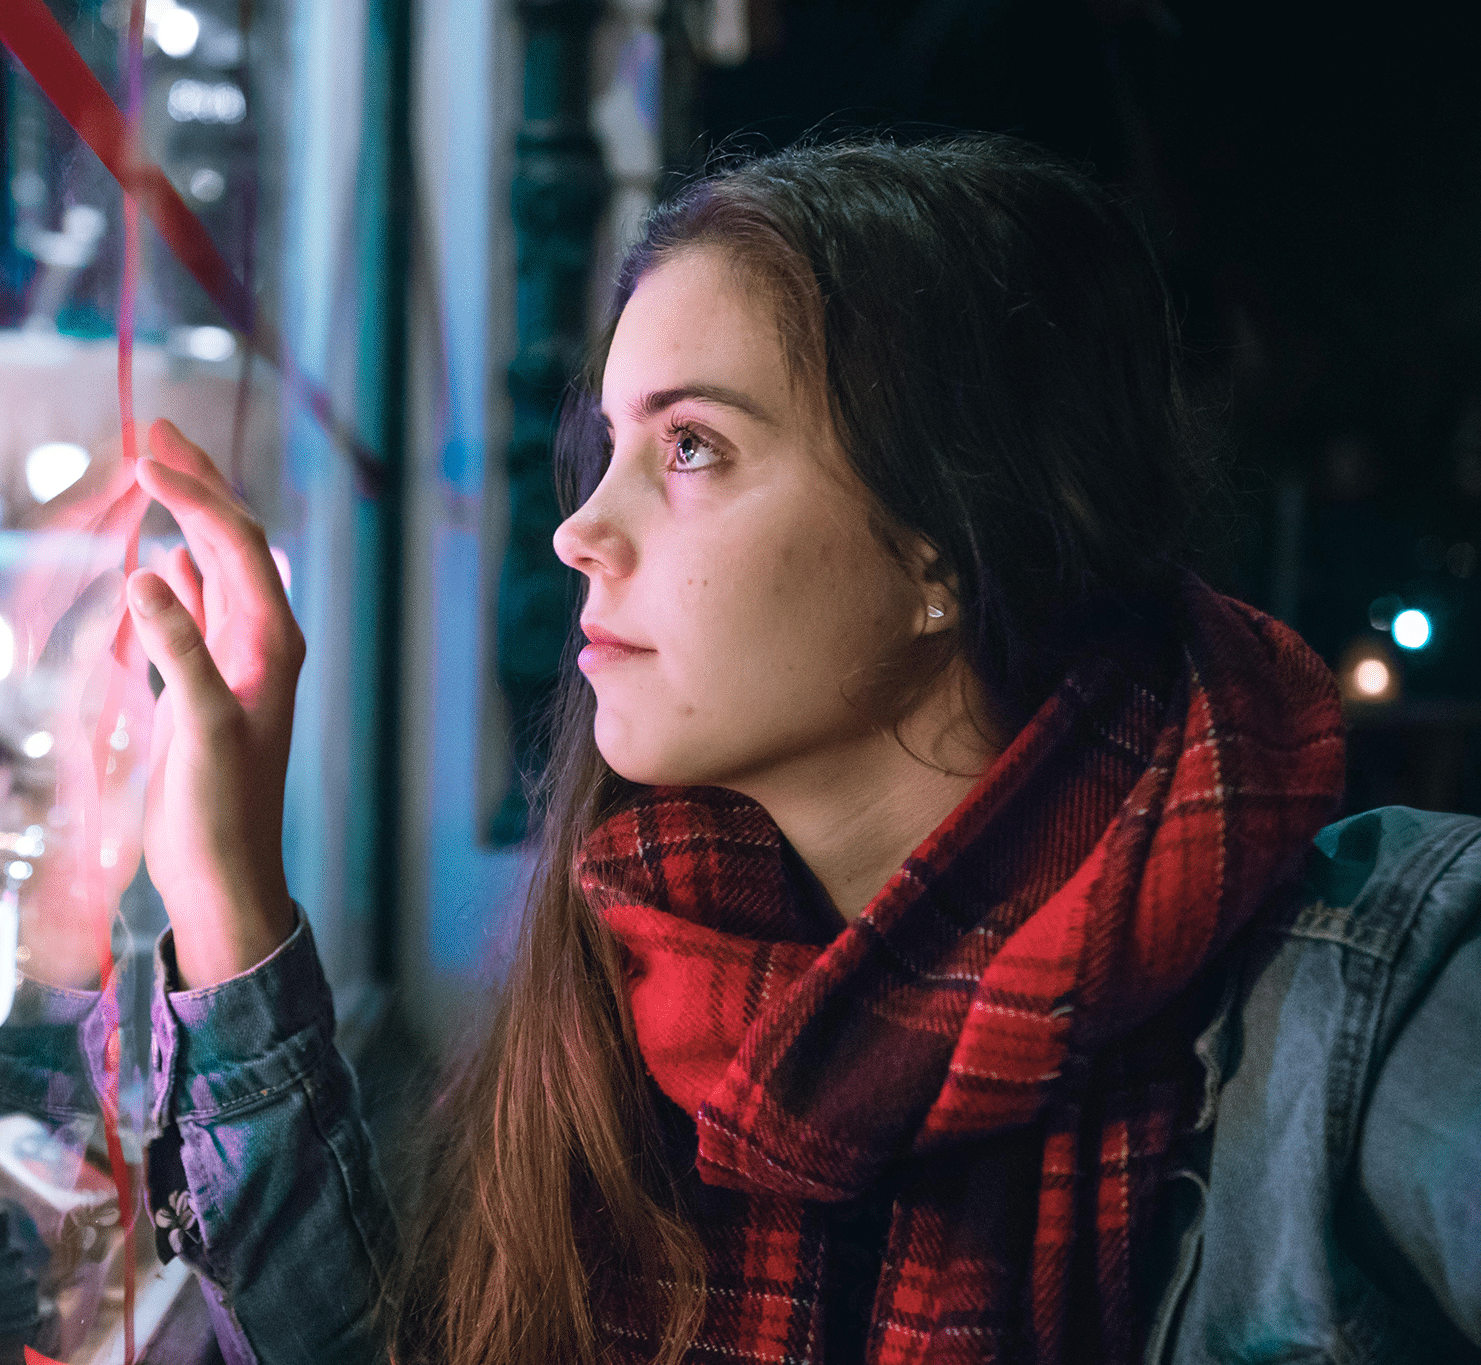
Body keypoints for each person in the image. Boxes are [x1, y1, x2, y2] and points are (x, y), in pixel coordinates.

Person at [101, 135, 1481, 1365]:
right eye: (610, 446)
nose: (582, 530)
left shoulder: (1382, 999)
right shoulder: (640, 973)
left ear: (945, 546)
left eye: (692, 446)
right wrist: (225, 895)